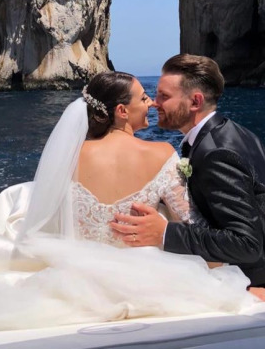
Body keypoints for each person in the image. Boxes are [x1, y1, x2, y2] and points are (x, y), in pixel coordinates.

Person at [0, 71, 262, 337]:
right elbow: (192, 225)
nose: (151, 103)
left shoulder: (68, 156)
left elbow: (54, 220)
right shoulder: (161, 154)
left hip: (75, 279)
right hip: (150, 279)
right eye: (144, 98)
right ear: (122, 111)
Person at [111, 54, 265, 289]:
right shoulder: (232, 133)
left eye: (164, 96)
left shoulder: (216, 153)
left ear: (195, 102)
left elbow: (247, 244)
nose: (154, 103)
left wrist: (165, 233)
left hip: (248, 280)